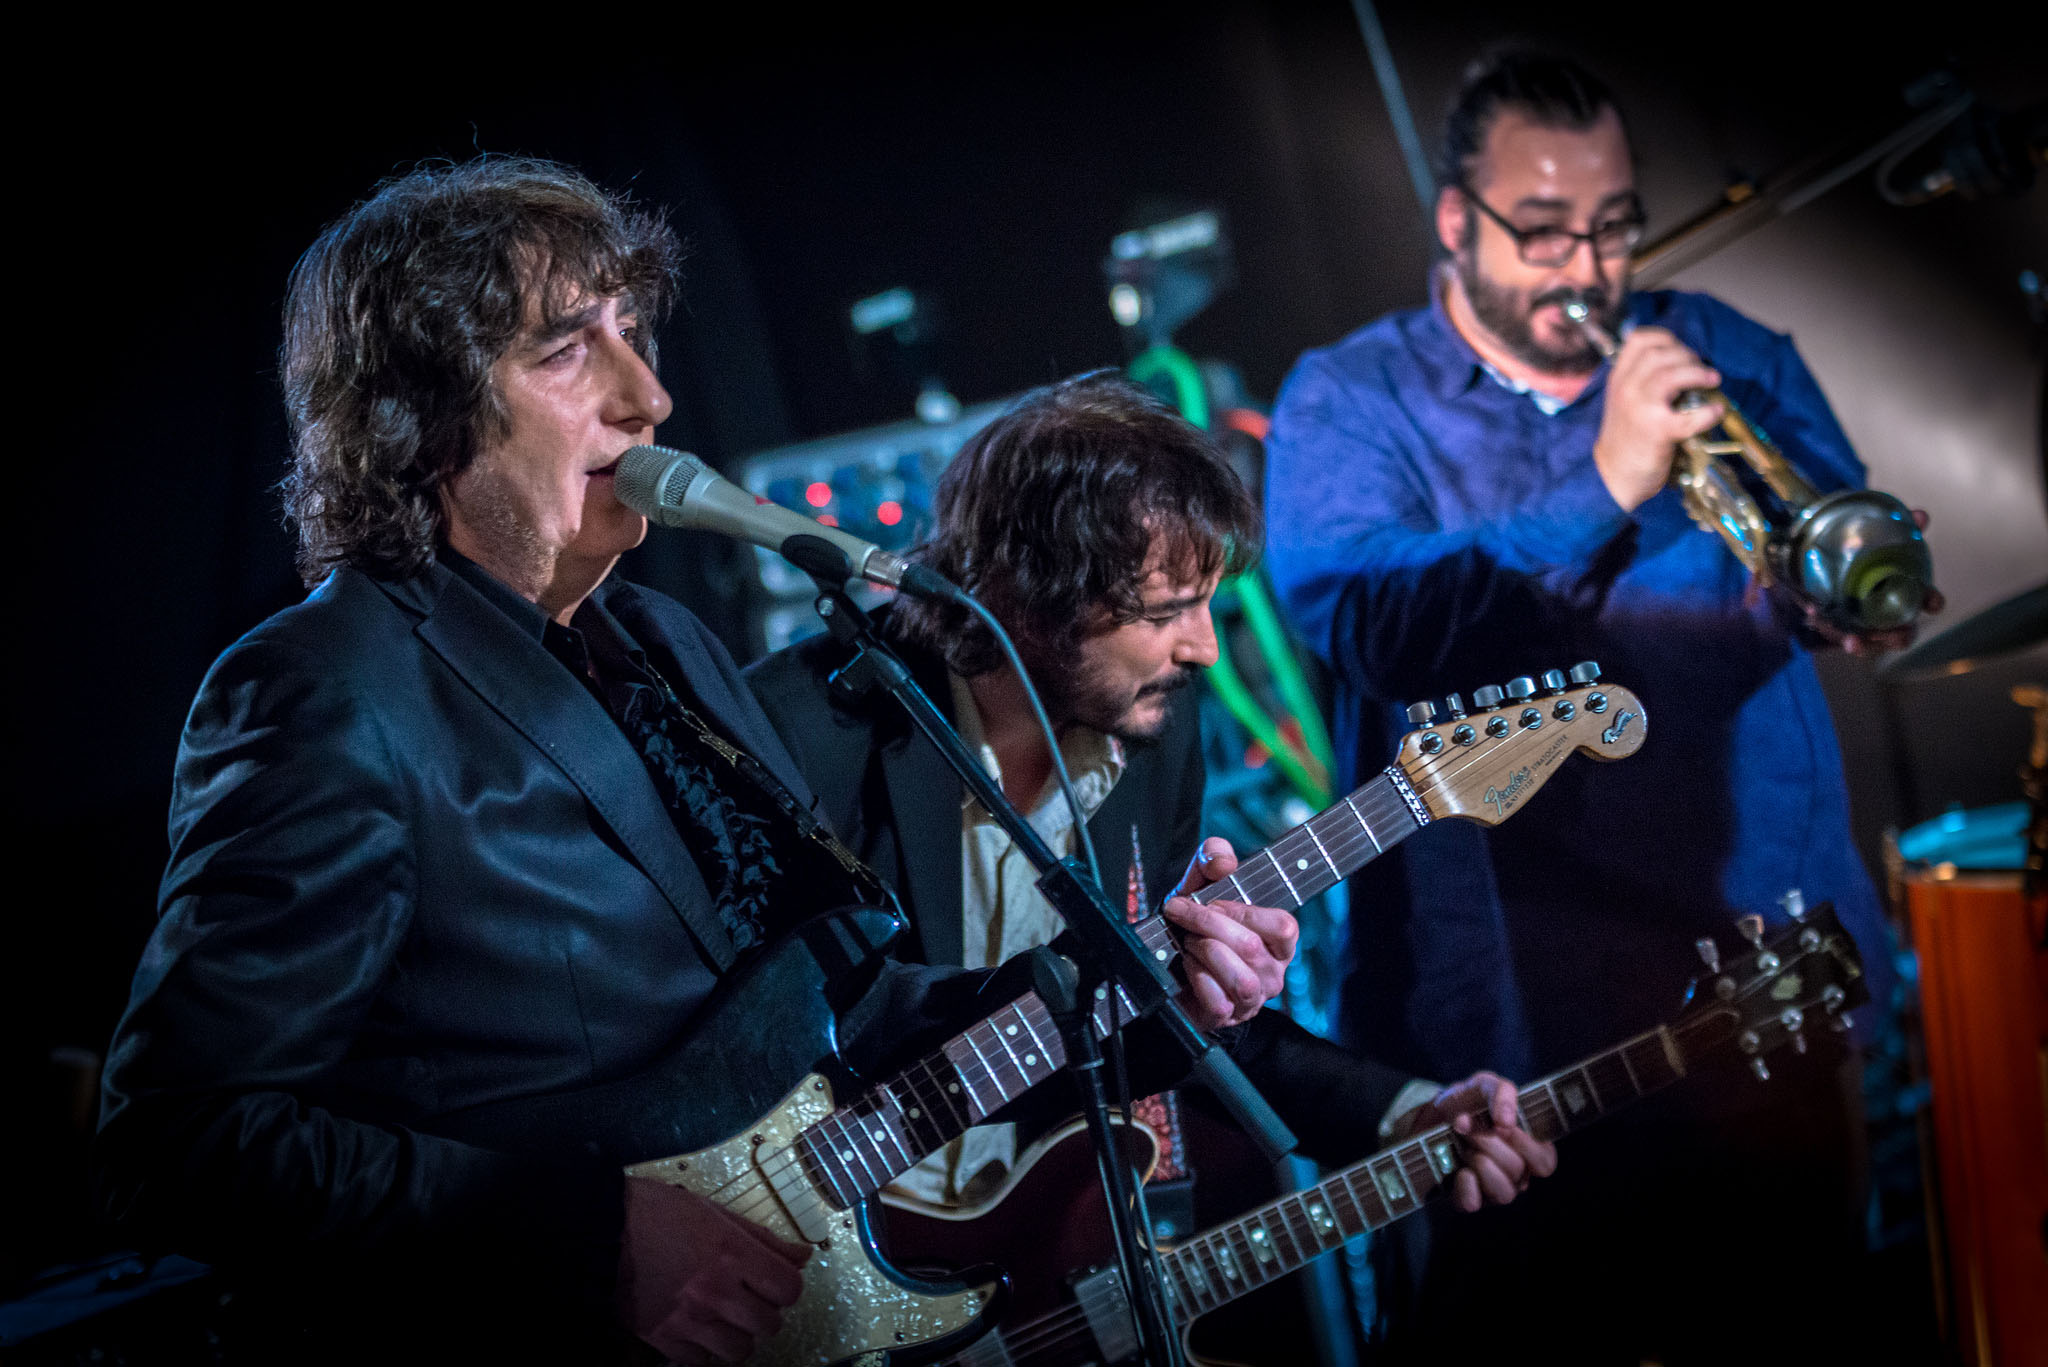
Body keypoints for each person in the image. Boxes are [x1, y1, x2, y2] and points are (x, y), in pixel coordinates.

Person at [90, 160, 1280, 1367]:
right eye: (568, 349)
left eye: (634, 333)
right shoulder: (326, 685)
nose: (648, 395)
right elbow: (177, 1141)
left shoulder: (667, 646)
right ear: (420, 411)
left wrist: (1143, 990)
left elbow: (857, 1011)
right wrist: (592, 1233)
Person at [1262, 49, 1925, 1364]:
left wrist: (1852, 591)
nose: (1587, 267)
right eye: (1544, 230)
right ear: (1455, 221)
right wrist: (1607, 478)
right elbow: (1376, 629)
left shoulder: (1726, 351)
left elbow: (1836, 543)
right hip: (1499, 1053)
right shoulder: (1348, 402)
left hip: (1767, 982)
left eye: (1612, 225)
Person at [744, 373, 1555, 1354]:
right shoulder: (799, 729)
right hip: (780, 1280)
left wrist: (1401, 1109)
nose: (1205, 648)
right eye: (1167, 609)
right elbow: (745, 1032)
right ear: (1025, 595)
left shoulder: (1153, 730)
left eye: (1207, 601)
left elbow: (1146, 1009)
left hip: (993, 1280)